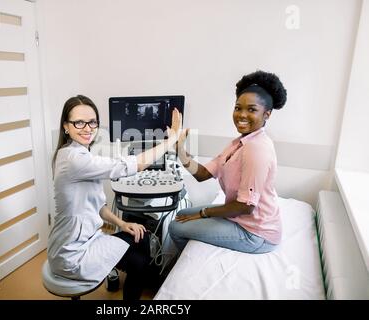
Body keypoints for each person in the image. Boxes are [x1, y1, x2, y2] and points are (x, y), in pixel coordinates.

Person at [47, 95, 182, 300]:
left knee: (142, 235)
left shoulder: (80, 154)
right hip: (72, 253)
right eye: (79, 122)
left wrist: (122, 223)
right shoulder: (73, 159)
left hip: (88, 239)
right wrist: (172, 139)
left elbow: (97, 206)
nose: (87, 128)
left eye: (92, 122)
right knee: (139, 261)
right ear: (66, 126)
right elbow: (130, 165)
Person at [169, 70, 287, 254]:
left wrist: (202, 214)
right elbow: (203, 174)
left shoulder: (257, 148)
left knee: (175, 228)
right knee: (182, 215)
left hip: (256, 233)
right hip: (241, 218)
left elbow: (245, 206)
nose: (242, 115)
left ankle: (196, 259)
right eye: (238, 108)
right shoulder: (239, 143)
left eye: (252, 109)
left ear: (267, 114)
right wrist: (180, 150)